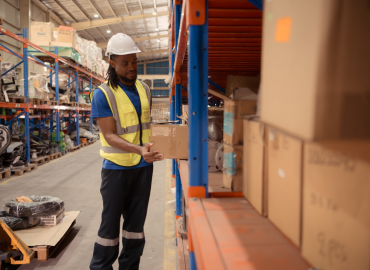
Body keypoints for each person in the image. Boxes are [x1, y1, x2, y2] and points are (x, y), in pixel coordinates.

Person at [89, 33, 163, 270]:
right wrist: (140, 149)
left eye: (134, 61)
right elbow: (110, 135)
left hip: (143, 168)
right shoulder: (102, 94)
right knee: (109, 228)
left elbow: (145, 127)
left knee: (135, 227)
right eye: (125, 63)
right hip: (116, 170)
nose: (132, 67)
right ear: (112, 62)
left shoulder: (144, 89)